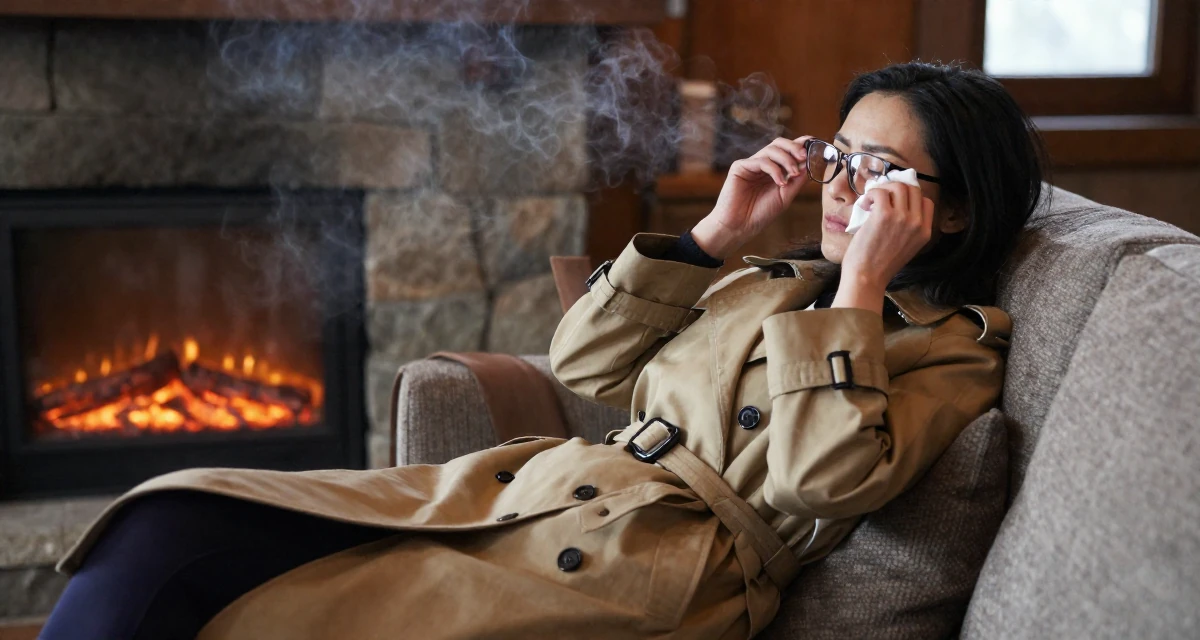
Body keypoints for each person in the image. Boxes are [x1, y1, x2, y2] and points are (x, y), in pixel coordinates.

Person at [42, 61, 1044, 640]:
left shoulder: (952, 354)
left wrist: (867, 283)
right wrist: (712, 238)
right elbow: (589, 365)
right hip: (528, 494)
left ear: (948, 208)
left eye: (877, 170)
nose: (840, 187)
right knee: (160, 532)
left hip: (640, 572)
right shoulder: (778, 280)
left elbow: (824, 479)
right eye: (838, 156)